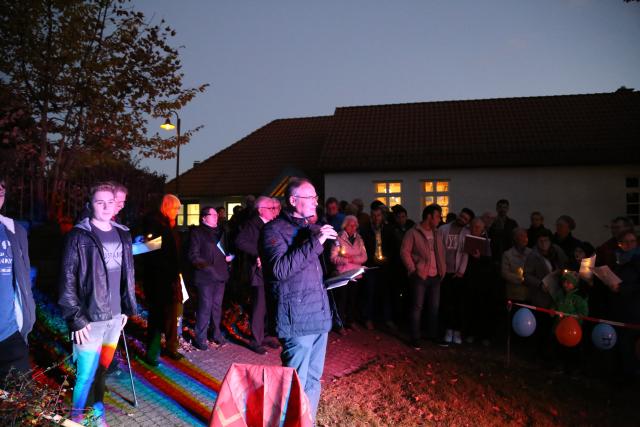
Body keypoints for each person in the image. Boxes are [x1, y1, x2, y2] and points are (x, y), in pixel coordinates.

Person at [58, 183, 137, 424]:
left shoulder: (123, 233)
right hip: (89, 320)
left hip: (114, 319)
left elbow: (127, 274)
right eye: (99, 202)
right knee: (85, 376)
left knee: (101, 371)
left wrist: (125, 308)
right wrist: (75, 319)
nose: (104, 206)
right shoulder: (79, 236)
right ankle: (76, 420)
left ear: (116, 205)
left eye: (109, 202)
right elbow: (67, 280)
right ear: (90, 204)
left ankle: (97, 414)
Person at [260, 178, 336, 421]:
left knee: (313, 380)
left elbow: (308, 272)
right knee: (295, 383)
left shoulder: (309, 228)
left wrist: (342, 277)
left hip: (318, 317)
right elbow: (280, 270)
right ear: (293, 201)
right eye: (310, 198)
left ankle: (307, 421)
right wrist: (316, 242)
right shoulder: (273, 231)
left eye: (316, 197)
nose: (316, 202)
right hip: (296, 321)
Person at [141, 194, 184, 364]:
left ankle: (171, 347)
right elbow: (150, 252)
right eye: (175, 208)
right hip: (158, 280)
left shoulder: (170, 225)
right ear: (166, 207)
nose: (177, 212)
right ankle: (152, 353)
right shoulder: (155, 224)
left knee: (172, 315)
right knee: (157, 317)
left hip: (171, 280)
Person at [234, 196, 280, 354]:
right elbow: (240, 242)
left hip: (271, 271)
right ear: (261, 210)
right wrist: (258, 253)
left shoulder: (271, 224)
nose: (274, 211)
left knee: (269, 305)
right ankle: (255, 339)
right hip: (258, 271)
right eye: (271, 208)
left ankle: (265, 334)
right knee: (259, 306)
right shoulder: (252, 224)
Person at [0, 179, 36, 379]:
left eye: (1, 190)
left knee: (21, 402)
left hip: (10, 334)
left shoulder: (14, 230)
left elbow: (22, 279)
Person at [400, 204, 446, 350]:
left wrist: (442, 269)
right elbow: (404, 252)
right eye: (438, 216)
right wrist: (413, 269)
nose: (440, 219)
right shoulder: (413, 232)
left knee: (434, 307)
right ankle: (415, 337)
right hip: (420, 275)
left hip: (436, 275)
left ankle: (432, 335)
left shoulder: (437, 233)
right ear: (429, 217)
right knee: (417, 307)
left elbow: (441, 251)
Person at [188, 207, 233, 351]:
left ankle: (216, 334)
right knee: (205, 307)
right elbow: (193, 255)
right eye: (212, 215)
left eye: (216, 215)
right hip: (206, 277)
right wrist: (208, 267)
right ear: (203, 218)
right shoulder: (197, 232)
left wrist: (230, 257)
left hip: (221, 275)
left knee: (216, 307)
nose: (216, 217)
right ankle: (200, 338)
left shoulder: (222, 231)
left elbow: (229, 248)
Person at [439, 208, 474, 345]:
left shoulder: (467, 233)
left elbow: (466, 253)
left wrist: (461, 271)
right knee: (447, 302)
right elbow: (439, 249)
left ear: (467, 222)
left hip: (458, 273)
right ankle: (448, 330)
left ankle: (457, 331)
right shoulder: (443, 229)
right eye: (462, 216)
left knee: (458, 303)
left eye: (466, 219)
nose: (462, 219)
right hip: (444, 271)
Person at [329, 215, 368, 333]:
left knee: (353, 299)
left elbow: (364, 256)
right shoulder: (338, 238)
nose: (354, 227)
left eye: (355, 225)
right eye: (351, 225)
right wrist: (346, 260)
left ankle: (350, 321)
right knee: (342, 299)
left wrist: (350, 258)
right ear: (345, 225)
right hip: (343, 274)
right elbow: (333, 257)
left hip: (356, 274)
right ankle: (339, 324)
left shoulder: (359, 239)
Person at [360, 204, 395, 330]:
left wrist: (387, 258)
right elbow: (362, 248)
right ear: (371, 216)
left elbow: (393, 247)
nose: (376, 218)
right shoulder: (365, 230)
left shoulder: (388, 229)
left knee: (386, 293)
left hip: (384, 266)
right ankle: (368, 318)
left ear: (382, 216)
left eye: (378, 215)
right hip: (370, 265)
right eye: (374, 216)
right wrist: (370, 258)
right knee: (369, 292)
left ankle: (387, 318)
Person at [463, 218, 495, 346]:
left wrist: (480, 257)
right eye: (473, 226)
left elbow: (491, 261)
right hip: (470, 279)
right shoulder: (466, 238)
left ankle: (484, 335)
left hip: (484, 281)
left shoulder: (488, 242)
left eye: (478, 227)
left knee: (484, 308)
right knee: (471, 307)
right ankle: (471, 333)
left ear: (483, 229)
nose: (474, 229)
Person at [502, 228, 532, 303]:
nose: (525, 239)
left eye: (526, 236)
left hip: (529, 294)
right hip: (514, 293)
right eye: (522, 236)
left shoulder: (531, 253)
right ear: (515, 238)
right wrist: (522, 279)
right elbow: (505, 273)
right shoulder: (508, 254)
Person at [488, 199, 518, 266]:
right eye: (500, 207)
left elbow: (516, 240)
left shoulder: (513, 223)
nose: (502, 209)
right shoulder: (491, 222)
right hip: (493, 256)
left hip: (509, 256)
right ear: (497, 208)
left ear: (508, 209)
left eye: (504, 207)